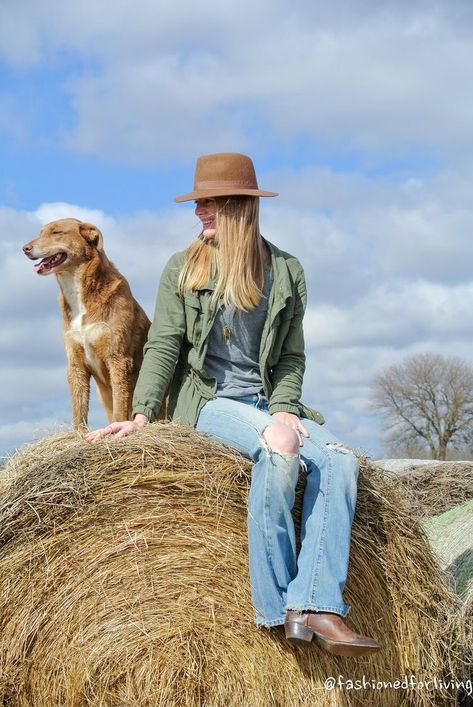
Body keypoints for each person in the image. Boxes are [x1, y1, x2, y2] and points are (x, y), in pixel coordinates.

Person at [86, 152, 380, 657]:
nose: (198, 211)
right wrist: (139, 413)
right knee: (282, 446)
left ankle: (315, 603)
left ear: (238, 206)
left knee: (339, 460)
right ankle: (274, 602)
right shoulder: (182, 268)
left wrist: (286, 405)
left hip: (266, 401)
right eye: (197, 202)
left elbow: (291, 355)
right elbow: (163, 347)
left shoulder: (285, 271)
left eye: (208, 203)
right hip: (209, 401)